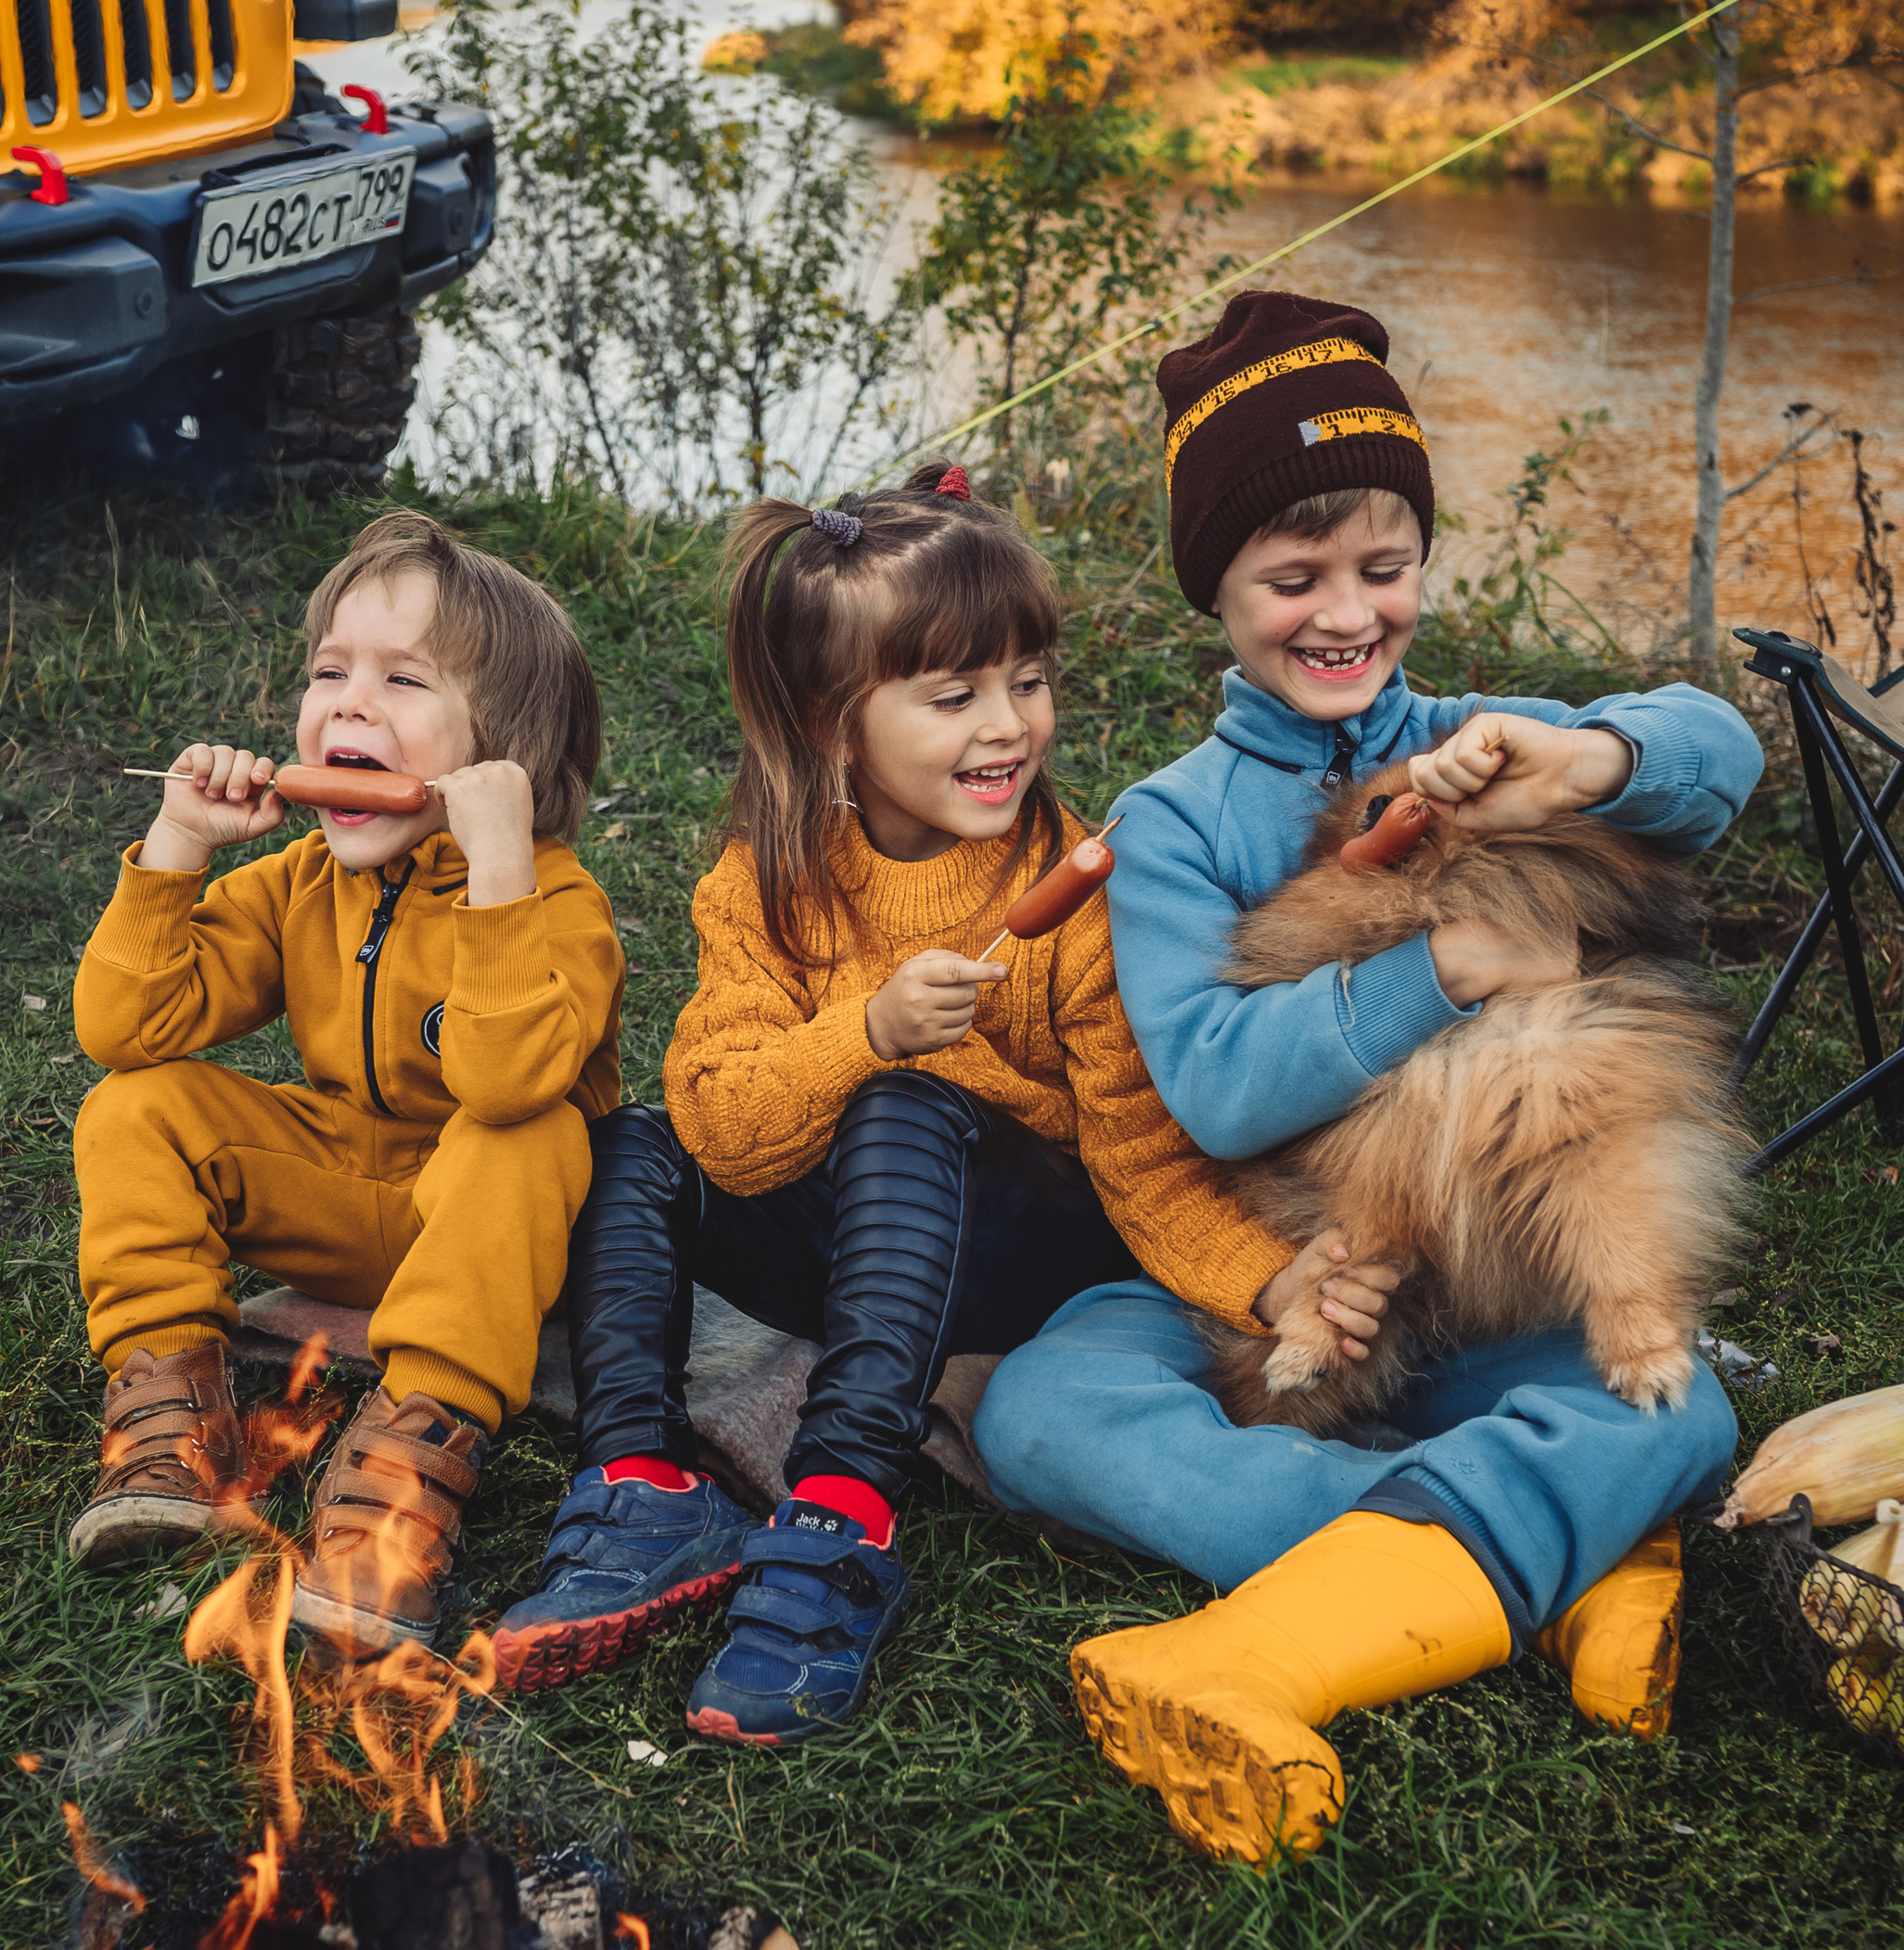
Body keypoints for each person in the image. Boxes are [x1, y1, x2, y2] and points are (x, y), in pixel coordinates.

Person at [973, 289, 1767, 1866]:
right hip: (1246, 1265)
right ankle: (1537, 1557)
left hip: (1491, 1267)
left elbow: (1716, 750)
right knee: (1040, 1409)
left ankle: (1431, 1558)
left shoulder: (1481, 732)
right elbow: (1212, 1089)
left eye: (1383, 569)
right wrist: (1447, 966)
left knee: (1688, 1403)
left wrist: (1594, 760)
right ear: (1222, 590)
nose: (1346, 612)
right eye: (1295, 577)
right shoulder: (1177, 821)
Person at [490, 463, 1309, 1746]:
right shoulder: (764, 881)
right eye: (955, 695)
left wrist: (1267, 1284)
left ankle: (837, 1521)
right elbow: (721, 1121)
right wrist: (859, 1032)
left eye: (1029, 681)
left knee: (906, 1106)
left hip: (1014, 1249)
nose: (1011, 726)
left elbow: (1143, 1157)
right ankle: (641, 1482)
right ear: (835, 726)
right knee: (640, 1143)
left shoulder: (1077, 892)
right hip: (846, 1236)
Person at [69, 510, 621, 1657]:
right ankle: (172, 1420)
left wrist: (500, 875)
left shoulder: (558, 905)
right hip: (353, 1190)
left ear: (499, 755)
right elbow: (127, 1024)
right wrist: (178, 842)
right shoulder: (298, 882)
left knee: (528, 1132)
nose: (348, 705)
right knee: (137, 1105)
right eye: (330, 671)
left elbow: (509, 1079)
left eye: (402, 680)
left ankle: (405, 1468)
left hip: (493, 1235)